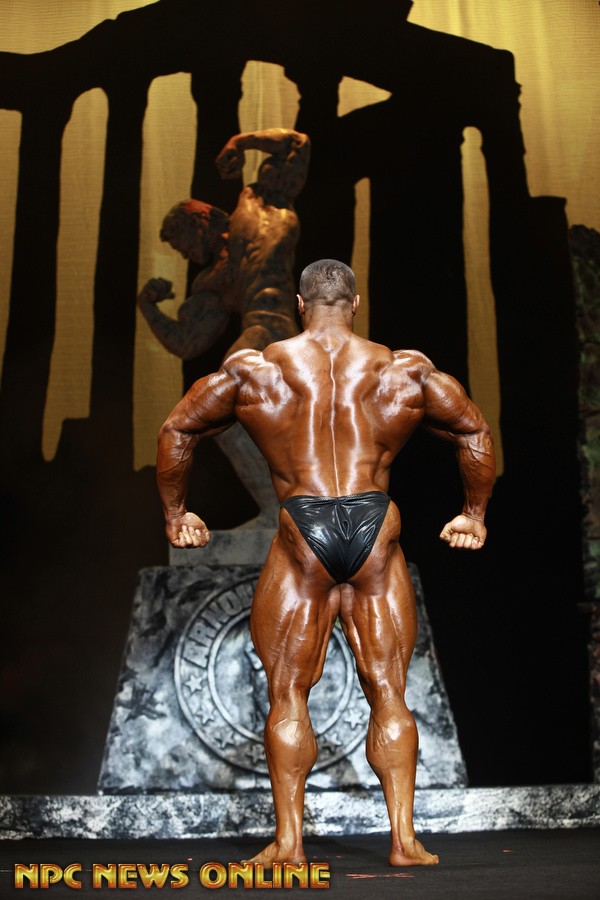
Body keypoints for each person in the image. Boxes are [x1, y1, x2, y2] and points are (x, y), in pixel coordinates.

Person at [156, 259, 496, 866]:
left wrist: (177, 513)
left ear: (299, 304)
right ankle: (404, 841)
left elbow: (178, 429)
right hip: (374, 524)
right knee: (388, 689)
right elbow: (474, 431)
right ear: (355, 303)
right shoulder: (404, 369)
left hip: (302, 526)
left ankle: (289, 844)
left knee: (288, 691)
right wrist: (473, 513)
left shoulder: (256, 370)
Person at [138, 128, 311, 528]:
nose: (183, 253)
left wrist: (240, 142)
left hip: (274, 327)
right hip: (263, 334)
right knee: (225, 419)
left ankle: (287, 508)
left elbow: (296, 144)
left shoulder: (258, 205)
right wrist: (147, 307)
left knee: (223, 407)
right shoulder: (215, 279)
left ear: (199, 219)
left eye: (179, 241)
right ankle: (283, 508)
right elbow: (187, 341)